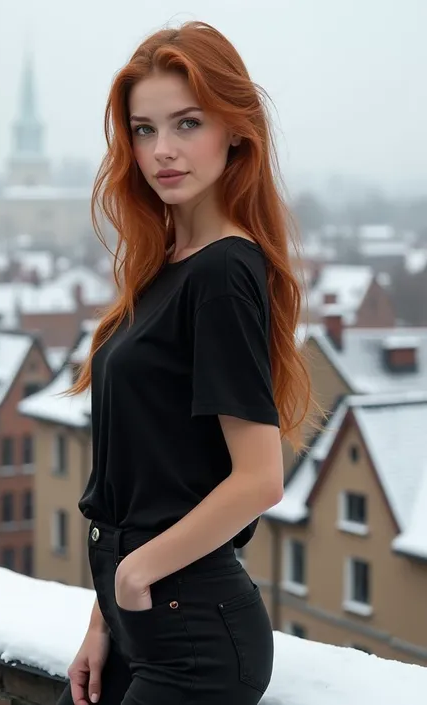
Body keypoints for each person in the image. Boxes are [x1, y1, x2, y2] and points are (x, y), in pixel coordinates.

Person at [57, 19, 315, 705]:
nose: (162, 150)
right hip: (135, 623)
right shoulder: (162, 269)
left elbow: (259, 478)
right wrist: (103, 618)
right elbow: (140, 478)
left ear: (235, 130)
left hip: (195, 637)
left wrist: (136, 573)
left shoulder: (226, 270)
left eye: (186, 123)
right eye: (144, 129)